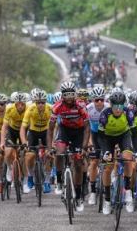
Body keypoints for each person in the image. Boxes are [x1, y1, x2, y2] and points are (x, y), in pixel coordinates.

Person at [49, 81, 89, 212]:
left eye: (72, 94)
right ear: (62, 96)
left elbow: (87, 127)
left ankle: (78, 196)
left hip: (78, 132)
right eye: (67, 95)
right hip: (64, 131)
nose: (70, 97)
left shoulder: (80, 106)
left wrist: (83, 147)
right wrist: (50, 147)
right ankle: (59, 180)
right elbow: (50, 129)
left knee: (78, 163)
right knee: (59, 153)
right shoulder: (57, 107)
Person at [98, 91, 137, 214]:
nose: (118, 109)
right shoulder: (105, 114)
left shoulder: (128, 113)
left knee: (127, 158)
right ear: (111, 105)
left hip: (123, 136)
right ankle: (107, 200)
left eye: (121, 106)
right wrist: (105, 152)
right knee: (108, 167)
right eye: (116, 106)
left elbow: (135, 134)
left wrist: (136, 151)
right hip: (107, 138)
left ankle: (127, 192)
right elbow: (100, 136)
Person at [20, 89, 52, 194]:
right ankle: (30, 176)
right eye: (38, 103)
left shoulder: (50, 109)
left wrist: (53, 142)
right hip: (33, 132)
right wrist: (24, 141)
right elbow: (23, 128)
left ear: (45, 102)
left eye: (43, 102)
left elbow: (56, 126)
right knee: (29, 156)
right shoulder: (30, 109)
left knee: (49, 154)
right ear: (35, 103)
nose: (41, 105)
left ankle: (47, 181)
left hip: (46, 132)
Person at [0, 92, 28, 190]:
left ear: (25, 103)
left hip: (24, 131)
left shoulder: (28, 109)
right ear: (15, 104)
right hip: (12, 131)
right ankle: (9, 168)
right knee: (7, 152)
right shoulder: (10, 109)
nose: (20, 106)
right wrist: (2, 142)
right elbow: (4, 126)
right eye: (18, 104)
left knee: (25, 155)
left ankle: (24, 180)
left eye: (22, 104)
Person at [85, 86, 108, 205]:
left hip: (106, 135)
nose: (99, 102)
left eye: (101, 100)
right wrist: (89, 142)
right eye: (96, 100)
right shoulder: (88, 109)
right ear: (92, 100)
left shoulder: (109, 108)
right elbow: (86, 128)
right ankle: (93, 193)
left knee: (109, 161)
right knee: (94, 162)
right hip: (94, 135)